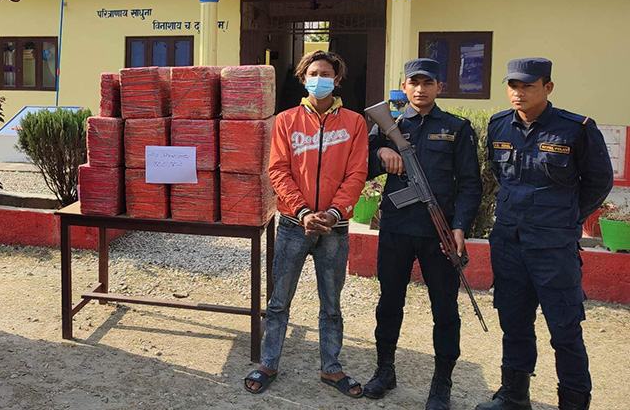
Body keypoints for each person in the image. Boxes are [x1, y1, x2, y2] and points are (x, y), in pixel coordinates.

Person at [477, 58, 613, 410]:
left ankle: (573, 402)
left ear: (547, 87)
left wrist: (564, 217)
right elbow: (499, 174)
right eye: (512, 86)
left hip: (553, 248)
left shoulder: (576, 128)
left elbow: (598, 182)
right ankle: (514, 395)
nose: (518, 93)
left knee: (565, 330)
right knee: (514, 323)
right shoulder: (499, 126)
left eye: (527, 86)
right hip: (508, 244)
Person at [244, 50, 368, 397]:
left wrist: (334, 212)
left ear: (337, 80)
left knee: (331, 304)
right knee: (279, 301)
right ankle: (269, 363)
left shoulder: (355, 123)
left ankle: (331, 367)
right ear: (303, 78)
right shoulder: (285, 121)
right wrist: (302, 212)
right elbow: (278, 171)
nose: (319, 78)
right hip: (291, 225)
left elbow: (357, 172)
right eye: (313, 72)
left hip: (335, 228)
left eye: (326, 73)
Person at [363, 58, 482, 410]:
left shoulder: (457, 128)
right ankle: (385, 371)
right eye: (413, 82)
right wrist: (380, 151)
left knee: (444, 309)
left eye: (427, 82)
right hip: (397, 229)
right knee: (389, 304)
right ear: (405, 84)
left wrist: (460, 226)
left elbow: (471, 185)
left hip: (438, 232)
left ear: (438, 87)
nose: (419, 89)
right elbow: (362, 166)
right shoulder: (391, 124)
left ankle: (441, 383)